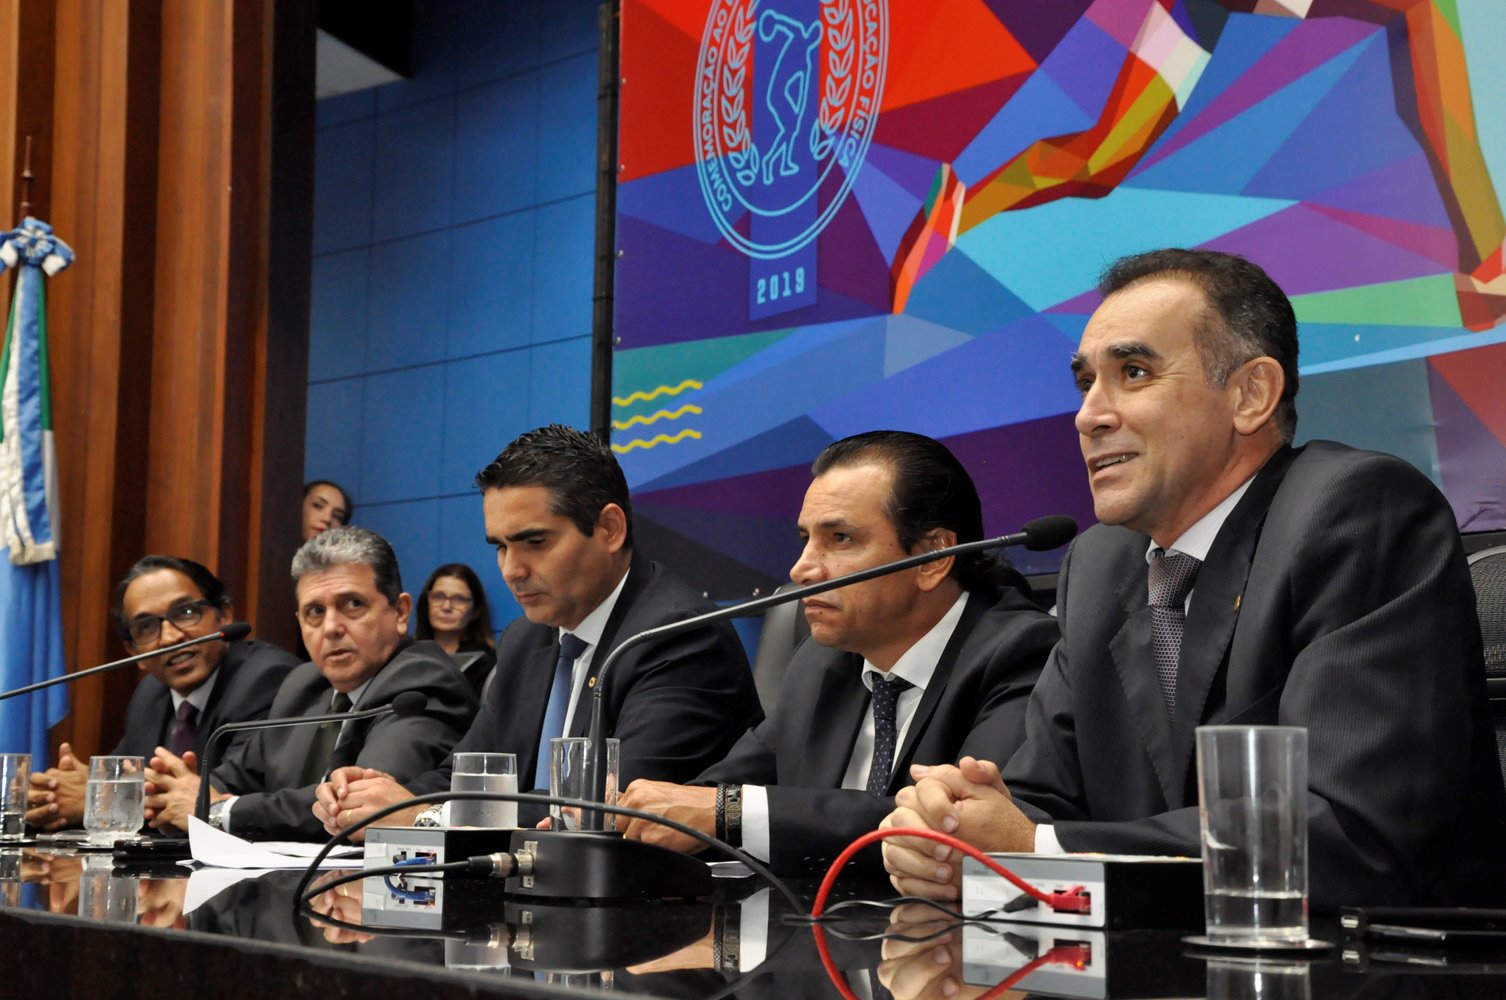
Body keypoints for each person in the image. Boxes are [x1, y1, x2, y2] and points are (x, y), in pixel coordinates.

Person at [881, 248, 1506, 909]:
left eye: (1133, 372)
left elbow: (1347, 831)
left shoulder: (1356, 512)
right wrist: (958, 833)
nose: (1088, 415)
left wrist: (1032, 849)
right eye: (1086, 382)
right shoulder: (1100, 565)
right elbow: (1044, 800)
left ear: (1250, 395)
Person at [616, 431, 1059, 872]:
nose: (801, 569)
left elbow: (960, 825)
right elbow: (716, 795)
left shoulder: (1022, 656)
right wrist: (632, 813)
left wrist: (728, 813)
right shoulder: (818, 661)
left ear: (932, 558)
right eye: (805, 539)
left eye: (840, 538)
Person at [312, 424, 762, 838]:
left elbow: (604, 811)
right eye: (500, 547)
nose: (512, 570)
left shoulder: (678, 637)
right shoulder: (527, 639)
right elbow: (465, 777)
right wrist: (382, 799)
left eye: (535, 542)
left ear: (609, 529)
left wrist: (422, 817)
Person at [144, 526, 477, 840]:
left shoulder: (422, 682)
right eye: (315, 611)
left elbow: (358, 805)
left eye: (353, 604)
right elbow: (231, 780)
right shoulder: (303, 684)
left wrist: (218, 811)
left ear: (400, 612)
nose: (331, 627)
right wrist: (175, 794)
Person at [25, 556, 299, 832]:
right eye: (146, 627)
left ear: (224, 615)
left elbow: (218, 793)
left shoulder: (266, 679)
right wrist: (53, 796)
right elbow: (121, 778)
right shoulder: (150, 694)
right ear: (134, 652)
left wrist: (98, 799)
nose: (169, 638)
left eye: (186, 612)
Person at [414, 562, 496, 697]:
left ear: (476, 610)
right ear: (426, 603)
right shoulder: (406, 655)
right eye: (438, 596)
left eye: (459, 599)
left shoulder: (487, 664)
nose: (446, 607)